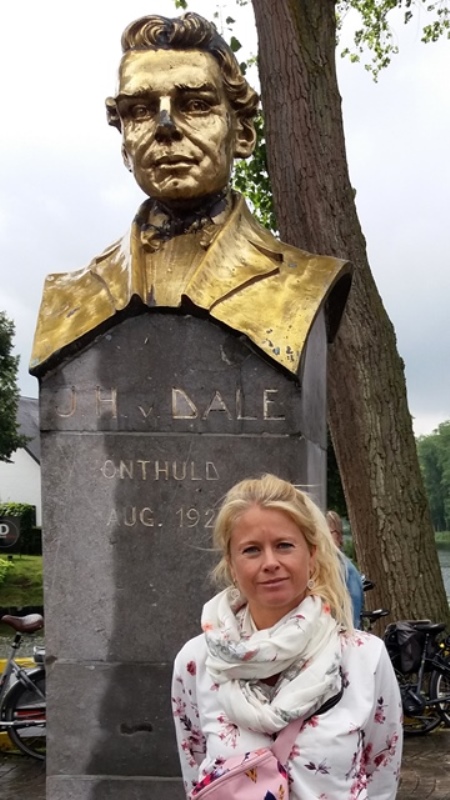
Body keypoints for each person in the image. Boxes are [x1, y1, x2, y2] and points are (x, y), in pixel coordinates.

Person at [30, 12, 351, 376]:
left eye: (196, 105)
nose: (165, 127)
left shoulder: (307, 281)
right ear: (124, 147)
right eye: (140, 110)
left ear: (243, 134)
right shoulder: (68, 298)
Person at [172, 474, 402, 800]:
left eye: (284, 545)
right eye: (251, 550)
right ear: (232, 565)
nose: (270, 562)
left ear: (312, 555)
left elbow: (381, 776)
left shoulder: (365, 657)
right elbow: (196, 774)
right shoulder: (196, 662)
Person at [326, 510, 365, 628]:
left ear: (338, 536)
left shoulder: (347, 570)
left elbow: (352, 619)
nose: (323, 537)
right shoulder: (323, 566)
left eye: (328, 532)